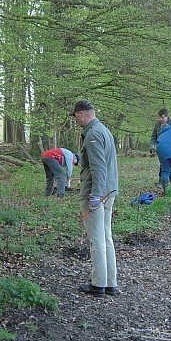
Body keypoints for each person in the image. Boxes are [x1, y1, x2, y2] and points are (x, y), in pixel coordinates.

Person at [71, 100, 119, 298]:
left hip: (97, 193)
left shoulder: (92, 134)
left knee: (97, 238)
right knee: (106, 236)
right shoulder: (103, 130)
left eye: (75, 116)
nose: (75, 120)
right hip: (109, 191)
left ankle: (98, 284)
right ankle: (110, 283)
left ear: (82, 114)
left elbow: (98, 167)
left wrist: (95, 195)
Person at [149, 108, 171, 185]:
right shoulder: (157, 124)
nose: (160, 119)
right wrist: (152, 146)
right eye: (160, 117)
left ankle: (165, 182)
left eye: (162, 117)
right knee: (164, 164)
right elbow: (154, 136)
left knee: (169, 164)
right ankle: (165, 182)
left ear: (167, 116)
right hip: (161, 148)